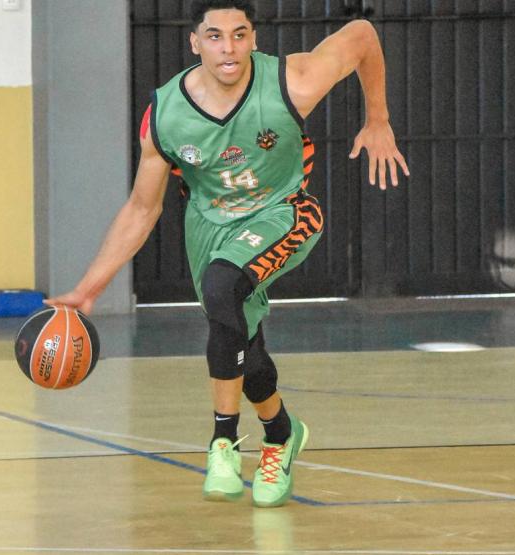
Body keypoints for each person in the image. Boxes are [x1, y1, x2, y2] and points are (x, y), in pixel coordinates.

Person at [47, 0, 408, 508]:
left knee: (223, 287)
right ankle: (281, 434)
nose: (229, 48)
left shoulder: (292, 82)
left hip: (282, 213)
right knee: (240, 338)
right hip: (209, 227)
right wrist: (89, 289)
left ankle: (222, 441)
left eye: (239, 35)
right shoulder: (167, 115)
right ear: (195, 43)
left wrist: (378, 119)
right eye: (215, 36)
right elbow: (141, 209)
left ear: (254, 39)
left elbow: (362, 34)